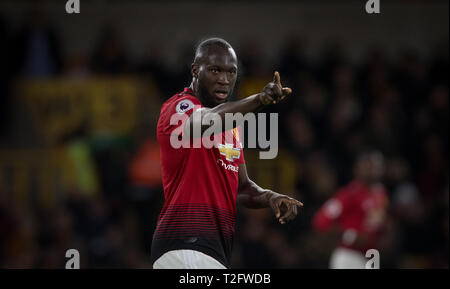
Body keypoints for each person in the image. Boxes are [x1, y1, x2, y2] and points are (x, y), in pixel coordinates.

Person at [151, 37, 303, 269]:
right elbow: (208, 119)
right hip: (185, 245)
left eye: (231, 72)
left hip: (214, 251)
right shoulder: (178, 107)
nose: (224, 80)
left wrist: (270, 197)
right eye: (215, 70)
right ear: (195, 70)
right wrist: (259, 99)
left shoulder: (231, 128)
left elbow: (241, 188)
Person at [312, 150, 389, 269]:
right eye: (369, 165)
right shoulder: (349, 194)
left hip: (370, 257)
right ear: (358, 168)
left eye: (376, 165)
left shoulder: (380, 193)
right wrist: (350, 236)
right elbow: (321, 220)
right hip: (349, 256)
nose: (374, 169)